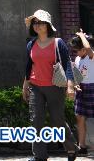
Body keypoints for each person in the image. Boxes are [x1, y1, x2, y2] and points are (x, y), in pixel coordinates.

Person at [22, 9, 77, 160]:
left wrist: (70, 86)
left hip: (55, 86)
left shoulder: (58, 43)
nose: (37, 25)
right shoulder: (31, 44)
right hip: (35, 87)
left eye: (40, 22)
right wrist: (25, 85)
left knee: (57, 119)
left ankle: (71, 147)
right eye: (35, 23)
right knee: (36, 120)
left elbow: (67, 66)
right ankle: (39, 156)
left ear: (47, 25)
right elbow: (28, 66)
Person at [71, 30, 94, 156]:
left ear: (84, 49)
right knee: (79, 117)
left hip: (92, 87)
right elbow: (77, 74)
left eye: (78, 49)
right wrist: (75, 84)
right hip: (81, 89)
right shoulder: (78, 58)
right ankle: (82, 146)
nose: (77, 52)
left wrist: (81, 35)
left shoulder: (92, 55)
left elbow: (88, 47)